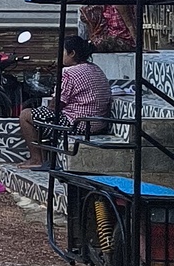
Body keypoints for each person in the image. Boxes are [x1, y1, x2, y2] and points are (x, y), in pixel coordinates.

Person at [22, 32, 113, 166]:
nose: (60, 55)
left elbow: (56, 104)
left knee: (25, 115)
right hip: (98, 124)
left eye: (63, 51)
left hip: (78, 125)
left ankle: (37, 159)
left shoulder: (69, 73)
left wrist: (48, 107)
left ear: (72, 53)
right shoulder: (96, 69)